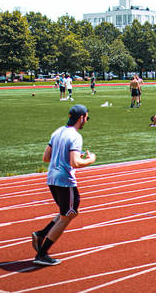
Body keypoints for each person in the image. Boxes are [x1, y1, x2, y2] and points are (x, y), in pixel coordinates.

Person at [31, 104, 95, 266]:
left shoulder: (58, 131)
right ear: (81, 118)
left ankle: (41, 234)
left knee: (67, 213)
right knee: (69, 215)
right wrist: (90, 159)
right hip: (65, 180)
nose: (87, 120)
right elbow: (75, 162)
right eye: (87, 117)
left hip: (52, 178)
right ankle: (42, 253)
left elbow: (46, 157)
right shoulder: (75, 136)